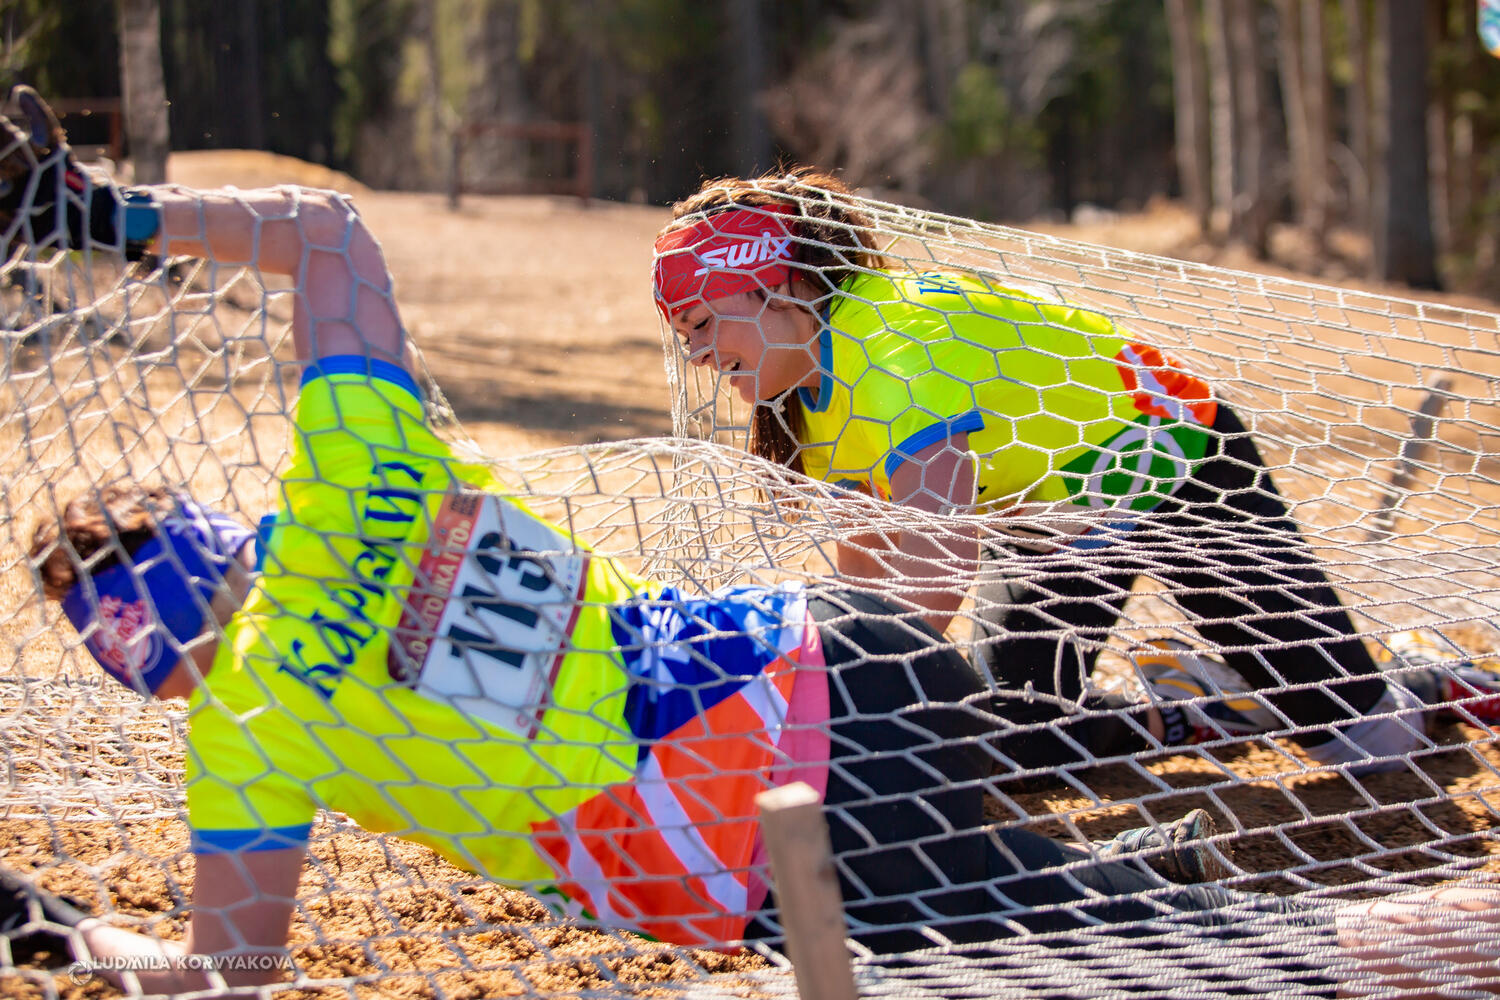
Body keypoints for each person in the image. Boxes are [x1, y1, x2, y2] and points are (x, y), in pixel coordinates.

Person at [6, 89, 1499, 998]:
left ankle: (1396, 807)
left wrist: (62, 935)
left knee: (1273, 839)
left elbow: (224, 975)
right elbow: (328, 234)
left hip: (893, 711)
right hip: (833, 681)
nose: (703, 357)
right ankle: (1177, 790)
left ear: (148, 671)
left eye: (709, 322)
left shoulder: (252, 728)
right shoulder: (352, 471)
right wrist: (92, 210)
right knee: (1047, 790)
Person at [652, 167, 1500, 776]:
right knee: (1009, 744)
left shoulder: (897, 347)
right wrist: (839, 682)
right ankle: (1201, 699)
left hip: (1176, 464)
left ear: (779, 282)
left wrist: (855, 709)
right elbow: (873, 570)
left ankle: (1421, 671)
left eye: (701, 322)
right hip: (1055, 526)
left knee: (1363, 748)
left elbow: (936, 566)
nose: (694, 353)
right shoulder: (807, 398)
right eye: (681, 334)